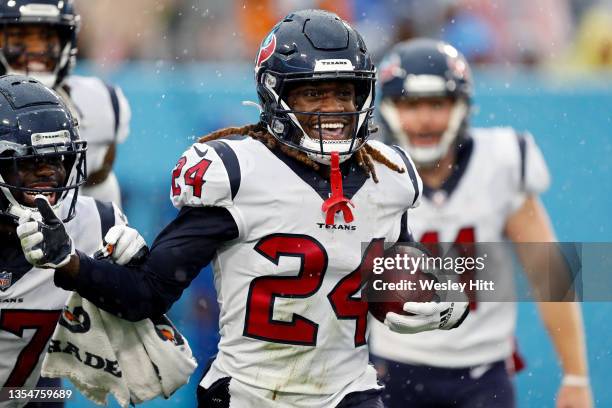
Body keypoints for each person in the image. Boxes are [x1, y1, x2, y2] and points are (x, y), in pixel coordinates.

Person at [17, 10, 468, 408]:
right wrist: (73, 265)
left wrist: (451, 297)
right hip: (249, 393)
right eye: (314, 94)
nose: (333, 109)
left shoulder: (388, 176)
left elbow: (398, 266)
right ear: (278, 97)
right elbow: (148, 294)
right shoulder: (236, 172)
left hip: (349, 392)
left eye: (344, 93)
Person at [369, 38, 592, 408]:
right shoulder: (372, 168)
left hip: (480, 376)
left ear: (462, 107)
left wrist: (576, 376)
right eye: (411, 104)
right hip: (389, 370)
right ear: (388, 109)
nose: (424, 118)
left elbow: (549, 274)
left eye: (437, 104)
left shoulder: (502, 161)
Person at [0, 75, 142, 408]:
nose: (49, 174)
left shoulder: (93, 225)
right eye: (30, 161)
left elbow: (144, 304)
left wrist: (94, 268)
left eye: (57, 159)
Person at [0, 0, 131, 206]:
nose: (35, 52)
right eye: (18, 38)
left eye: (46, 39)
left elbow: (98, 199)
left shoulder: (98, 105)